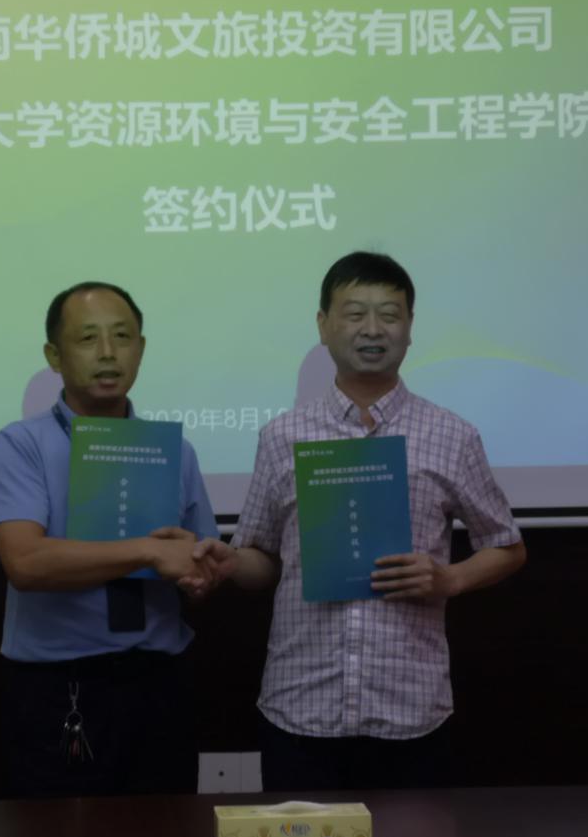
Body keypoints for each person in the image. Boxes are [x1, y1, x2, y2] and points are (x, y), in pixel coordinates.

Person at [193, 251, 526, 790]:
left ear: (410, 328)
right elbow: (263, 559)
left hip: (410, 708)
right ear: (323, 325)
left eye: (389, 315)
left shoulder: (452, 435)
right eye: (354, 314)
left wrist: (451, 578)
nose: (373, 329)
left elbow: (507, 546)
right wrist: (229, 561)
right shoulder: (282, 436)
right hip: (301, 706)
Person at [0, 281, 221, 797]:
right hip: (59, 689)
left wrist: (200, 574)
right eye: (88, 338)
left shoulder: (174, 451)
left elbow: (199, 561)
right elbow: (25, 563)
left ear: (141, 349)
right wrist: (149, 550)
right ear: (54, 356)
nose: (108, 353)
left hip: (160, 685)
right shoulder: (19, 446)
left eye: (122, 337)